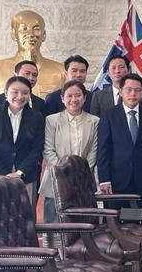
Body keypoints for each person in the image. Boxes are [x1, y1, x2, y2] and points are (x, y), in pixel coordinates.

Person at [39, 80, 99, 247]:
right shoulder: (52, 120)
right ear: (62, 99)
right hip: (54, 180)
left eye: (78, 95)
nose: (74, 99)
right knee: (53, 222)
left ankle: (80, 256)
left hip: (82, 181)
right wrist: (62, 173)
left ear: (85, 98)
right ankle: (53, 259)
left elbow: (93, 151)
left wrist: (80, 173)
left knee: (81, 221)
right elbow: (48, 149)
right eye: (69, 96)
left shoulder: (94, 121)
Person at [97, 73, 142, 209]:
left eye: (137, 90)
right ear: (121, 92)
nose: (133, 94)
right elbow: (103, 150)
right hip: (116, 181)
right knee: (116, 224)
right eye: (129, 90)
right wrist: (104, 179)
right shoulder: (109, 116)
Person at [0, 76, 45, 204]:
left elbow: (37, 149)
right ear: (6, 93)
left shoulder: (36, 117)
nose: (20, 97)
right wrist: (3, 174)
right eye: (15, 92)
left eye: (25, 93)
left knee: (25, 218)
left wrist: (20, 172)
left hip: (25, 178)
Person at [0, 10, 64, 98]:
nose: (31, 34)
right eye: (24, 29)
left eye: (36, 29)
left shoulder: (61, 72)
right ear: (13, 34)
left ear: (44, 35)